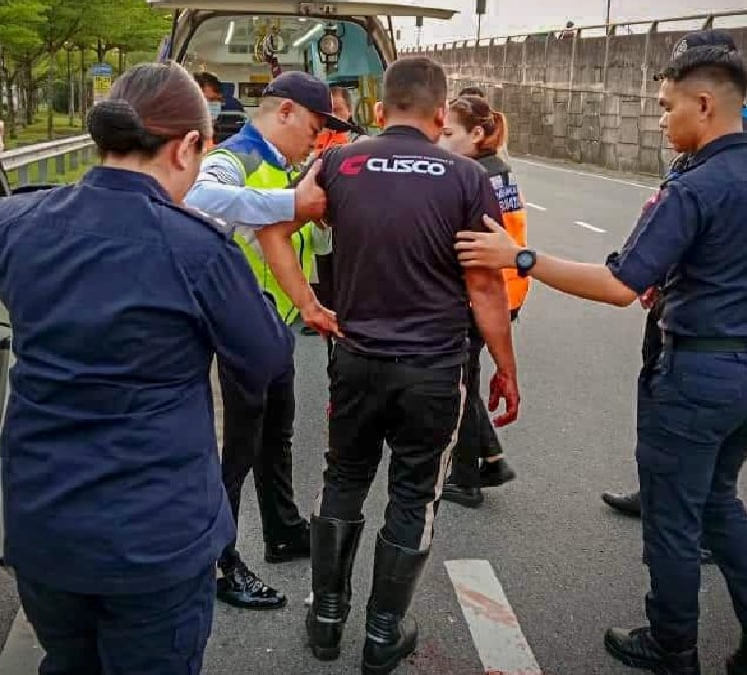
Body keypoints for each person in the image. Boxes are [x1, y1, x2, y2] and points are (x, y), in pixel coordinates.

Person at [0, 62, 295, 673]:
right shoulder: (198, 249)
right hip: (158, 542)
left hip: (46, 531)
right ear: (189, 146)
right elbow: (266, 357)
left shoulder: (16, 222)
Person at [457, 43, 747, 675]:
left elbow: (622, 285)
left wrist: (520, 259)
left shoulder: (694, 188)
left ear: (703, 104)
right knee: (719, 501)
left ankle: (671, 643)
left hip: (698, 377)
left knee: (674, 518)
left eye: (665, 106)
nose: (659, 120)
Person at [252, 56, 520, 675]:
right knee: (413, 494)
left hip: (357, 360)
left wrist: (310, 305)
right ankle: (382, 633)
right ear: (437, 113)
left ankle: (325, 623)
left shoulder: (340, 162)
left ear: (378, 111)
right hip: (432, 369)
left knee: (342, 480)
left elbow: (272, 226)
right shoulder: (465, 176)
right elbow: (484, 287)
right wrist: (504, 365)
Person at [184, 70, 350, 611]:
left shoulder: (282, 167)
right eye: (314, 123)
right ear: (283, 112)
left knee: (275, 437)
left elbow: (286, 240)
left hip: (271, 326)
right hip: (237, 333)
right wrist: (287, 206)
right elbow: (198, 194)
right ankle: (219, 562)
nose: (318, 134)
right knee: (237, 452)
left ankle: (282, 531)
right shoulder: (237, 157)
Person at [601, 29, 747, 527]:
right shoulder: (702, 137)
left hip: (708, 313)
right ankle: (657, 490)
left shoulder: (743, 140)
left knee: (693, 422)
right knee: (656, 393)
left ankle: (691, 517)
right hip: (673, 293)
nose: (663, 110)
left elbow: (730, 227)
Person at [436, 94, 525, 508]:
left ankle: (466, 478)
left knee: (464, 385)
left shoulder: (473, 176)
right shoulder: (496, 169)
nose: (440, 139)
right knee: (467, 381)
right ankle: (492, 458)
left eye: (449, 133)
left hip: (487, 290)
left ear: (476, 134)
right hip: (509, 286)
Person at [310, 86, 367, 339]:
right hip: (318, 219)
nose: (332, 117)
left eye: (338, 110)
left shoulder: (360, 143)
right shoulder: (311, 140)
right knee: (322, 271)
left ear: (350, 111)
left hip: (348, 224)